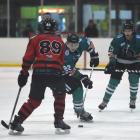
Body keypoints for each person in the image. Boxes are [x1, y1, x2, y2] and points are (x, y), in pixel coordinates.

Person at [9, 16, 70, 135]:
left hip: (39, 73)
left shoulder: (35, 39)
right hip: (55, 73)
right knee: (60, 95)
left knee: (34, 100)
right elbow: (62, 60)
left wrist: (24, 73)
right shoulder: (60, 41)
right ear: (55, 28)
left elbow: (28, 58)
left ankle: (17, 121)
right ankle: (58, 121)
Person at [98, 20, 140, 111]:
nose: (127, 32)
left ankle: (132, 100)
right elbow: (111, 52)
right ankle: (105, 101)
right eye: (126, 30)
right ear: (123, 31)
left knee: (134, 81)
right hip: (120, 62)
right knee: (113, 82)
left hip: (135, 63)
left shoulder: (138, 40)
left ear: (133, 31)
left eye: (129, 30)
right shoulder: (118, 39)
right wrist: (112, 62)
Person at [62, 33, 99, 121]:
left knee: (78, 87)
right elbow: (70, 71)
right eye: (71, 44)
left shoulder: (82, 42)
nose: (74, 47)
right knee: (75, 88)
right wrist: (83, 78)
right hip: (57, 75)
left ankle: (79, 110)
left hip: (67, 73)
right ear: (67, 43)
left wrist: (94, 55)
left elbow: (89, 43)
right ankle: (79, 111)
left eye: (76, 44)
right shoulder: (64, 54)